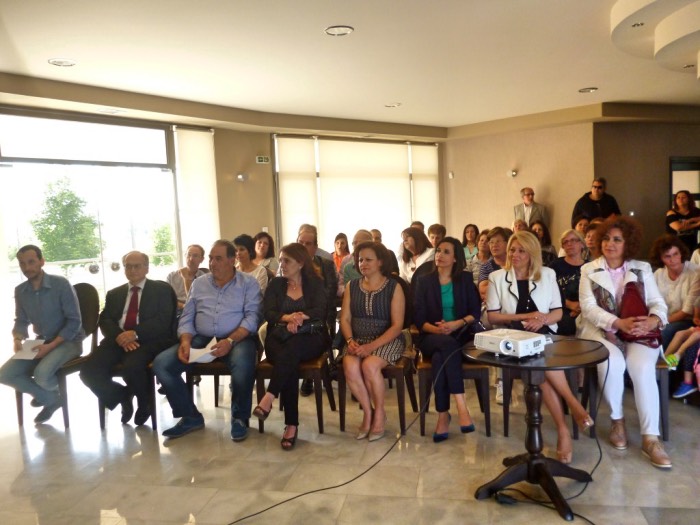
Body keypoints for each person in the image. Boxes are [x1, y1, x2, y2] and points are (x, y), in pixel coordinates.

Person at [487, 231, 593, 464]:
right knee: (539, 361)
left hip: (543, 334)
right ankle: (573, 406)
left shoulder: (547, 274)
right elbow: (493, 317)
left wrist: (542, 319)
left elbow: (557, 312)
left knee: (539, 368)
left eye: (521, 251)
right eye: (512, 250)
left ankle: (563, 429)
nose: (514, 254)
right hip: (512, 336)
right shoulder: (497, 277)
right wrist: (528, 316)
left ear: (532, 253)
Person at [579, 216, 671, 468]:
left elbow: (658, 303)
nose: (610, 244)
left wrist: (653, 320)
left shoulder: (642, 268)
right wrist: (617, 323)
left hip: (638, 330)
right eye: (606, 238)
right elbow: (588, 308)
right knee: (613, 362)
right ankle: (617, 421)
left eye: (617, 239)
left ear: (627, 243)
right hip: (600, 330)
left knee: (641, 368)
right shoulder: (588, 269)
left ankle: (650, 438)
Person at [152, 240, 262, 441]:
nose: (212, 263)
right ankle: (190, 416)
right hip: (201, 338)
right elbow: (187, 316)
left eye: (218, 259)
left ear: (232, 260)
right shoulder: (199, 283)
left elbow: (252, 318)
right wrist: (185, 340)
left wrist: (230, 340)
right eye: (211, 258)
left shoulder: (248, 283)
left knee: (244, 365)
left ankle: (239, 418)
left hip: (237, 337)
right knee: (162, 364)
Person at [80, 251, 177, 426]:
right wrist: (119, 335)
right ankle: (122, 396)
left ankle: (144, 403)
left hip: (149, 340)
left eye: (137, 266)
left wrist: (134, 333)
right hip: (118, 339)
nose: (132, 270)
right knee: (88, 372)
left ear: (146, 268)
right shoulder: (114, 293)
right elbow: (105, 319)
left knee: (133, 365)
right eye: (128, 266)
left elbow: (163, 320)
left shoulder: (161, 290)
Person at [252, 243, 329, 450]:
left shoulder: (315, 283)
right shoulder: (276, 284)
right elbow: (268, 313)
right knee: (289, 360)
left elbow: (320, 311)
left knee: (291, 351)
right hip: (279, 336)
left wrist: (300, 317)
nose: (282, 265)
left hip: (310, 337)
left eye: (287, 261)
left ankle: (269, 398)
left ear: (301, 263)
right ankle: (291, 425)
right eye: (280, 260)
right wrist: (288, 318)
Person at [0, 245, 84, 424]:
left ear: (42, 261)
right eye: (22, 263)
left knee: (42, 374)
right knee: (5, 374)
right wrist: (17, 338)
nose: (27, 267)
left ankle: (45, 396)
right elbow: (21, 320)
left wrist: (51, 346)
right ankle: (51, 399)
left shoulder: (61, 284)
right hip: (40, 341)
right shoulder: (20, 290)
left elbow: (74, 321)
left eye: (31, 262)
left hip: (68, 341)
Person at [414, 237, 481, 442]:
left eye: (446, 252)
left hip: (459, 334)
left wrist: (455, 324)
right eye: (438, 250)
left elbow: (475, 313)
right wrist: (437, 329)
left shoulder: (465, 279)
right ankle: (462, 407)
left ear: (455, 258)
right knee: (447, 344)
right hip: (430, 336)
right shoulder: (424, 281)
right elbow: (418, 319)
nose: (439, 255)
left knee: (439, 358)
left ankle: (443, 415)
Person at [340, 242, 406, 442]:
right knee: (350, 366)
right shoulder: (352, 286)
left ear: (380, 262)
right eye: (360, 260)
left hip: (387, 339)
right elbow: (345, 319)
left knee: (369, 365)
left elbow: (397, 326)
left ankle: (380, 413)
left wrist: (371, 347)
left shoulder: (394, 286)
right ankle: (368, 412)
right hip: (357, 339)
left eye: (368, 260)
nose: (363, 264)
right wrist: (350, 340)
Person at [297, 226, 338, 395]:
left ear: (315, 247)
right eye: (301, 242)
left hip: (320, 315)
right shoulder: (288, 263)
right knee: (266, 331)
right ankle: (290, 370)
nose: (303, 247)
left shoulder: (326, 265)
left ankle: (309, 375)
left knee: (311, 331)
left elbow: (329, 294)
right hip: (292, 315)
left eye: (308, 244)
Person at [650, 234, 699, 348]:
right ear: (660, 258)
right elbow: (651, 302)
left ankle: (663, 359)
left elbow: (686, 311)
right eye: (667, 256)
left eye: (675, 254)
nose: (673, 260)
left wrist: (658, 323)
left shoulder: (696, 273)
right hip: (663, 318)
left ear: (681, 253)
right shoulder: (658, 274)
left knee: (664, 332)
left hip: (688, 320)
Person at [549, 230, 587, 336]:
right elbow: (547, 292)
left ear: (582, 244)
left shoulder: (589, 266)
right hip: (560, 309)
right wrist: (569, 304)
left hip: (585, 310)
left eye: (573, 240)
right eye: (565, 242)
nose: (569, 244)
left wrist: (581, 307)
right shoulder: (554, 266)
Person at [166, 244, 208, 314]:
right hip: (175, 311)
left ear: (202, 259)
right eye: (188, 255)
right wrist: (183, 306)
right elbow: (166, 299)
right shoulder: (172, 276)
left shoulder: (205, 279)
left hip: (196, 312)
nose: (191, 259)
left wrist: (186, 279)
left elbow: (195, 303)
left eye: (195, 256)